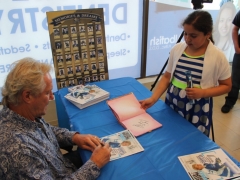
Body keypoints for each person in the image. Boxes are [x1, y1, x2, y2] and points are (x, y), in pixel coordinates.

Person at [0, 58, 111, 179]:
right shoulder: (19, 152)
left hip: (61, 165)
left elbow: (45, 131)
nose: (52, 97)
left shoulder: (19, 113)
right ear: (27, 96)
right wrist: (94, 164)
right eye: (47, 93)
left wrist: (74, 137)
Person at [140, 10, 231, 137]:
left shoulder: (218, 56)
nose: (188, 39)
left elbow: (227, 86)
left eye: (193, 36)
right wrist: (154, 98)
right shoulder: (177, 49)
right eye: (185, 34)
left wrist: (203, 93)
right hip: (173, 100)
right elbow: (167, 77)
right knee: (170, 134)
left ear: (208, 34)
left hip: (198, 107)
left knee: (193, 138)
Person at [221, 10, 240, 113]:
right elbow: (235, 29)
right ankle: (229, 103)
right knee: (235, 80)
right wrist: (237, 48)